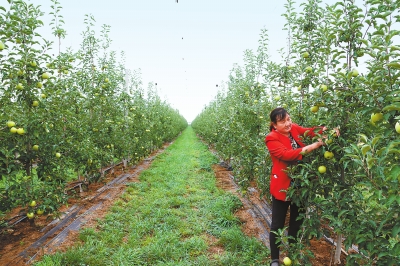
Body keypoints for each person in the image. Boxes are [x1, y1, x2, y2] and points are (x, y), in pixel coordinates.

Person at [265, 107, 334, 266]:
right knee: (277, 223)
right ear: (274, 125)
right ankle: (275, 259)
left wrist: (326, 130)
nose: (288, 123)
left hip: (301, 184)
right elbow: (287, 155)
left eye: (288, 119)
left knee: (296, 222)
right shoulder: (271, 138)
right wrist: (315, 145)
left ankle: (292, 254)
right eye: (283, 122)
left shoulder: (293, 128)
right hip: (283, 186)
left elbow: (309, 131)